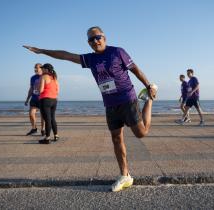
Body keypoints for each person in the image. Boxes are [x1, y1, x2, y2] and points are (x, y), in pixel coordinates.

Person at [23, 26, 157, 192]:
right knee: (116, 138)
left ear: (104, 37)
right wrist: (42, 51)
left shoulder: (117, 52)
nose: (95, 41)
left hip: (127, 99)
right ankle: (125, 175)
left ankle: (149, 100)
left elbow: (135, 69)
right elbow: (65, 55)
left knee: (141, 133)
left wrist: (149, 85)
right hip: (110, 104)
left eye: (97, 37)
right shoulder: (90, 59)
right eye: (91, 40)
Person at [38, 63, 60, 144]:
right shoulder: (55, 78)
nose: (42, 70)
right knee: (52, 118)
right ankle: (56, 135)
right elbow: (58, 90)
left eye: (43, 68)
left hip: (45, 100)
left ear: (46, 69)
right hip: (54, 100)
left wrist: (37, 89)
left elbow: (40, 90)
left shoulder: (44, 77)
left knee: (47, 120)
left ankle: (47, 138)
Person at [25, 63, 45, 136]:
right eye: (35, 68)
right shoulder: (32, 77)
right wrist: (27, 99)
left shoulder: (45, 77)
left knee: (43, 115)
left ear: (41, 68)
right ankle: (34, 128)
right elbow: (31, 88)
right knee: (31, 114)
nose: (35, 69)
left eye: (37, 68)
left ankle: (43, 129)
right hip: (34, 98)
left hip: (42, 98)